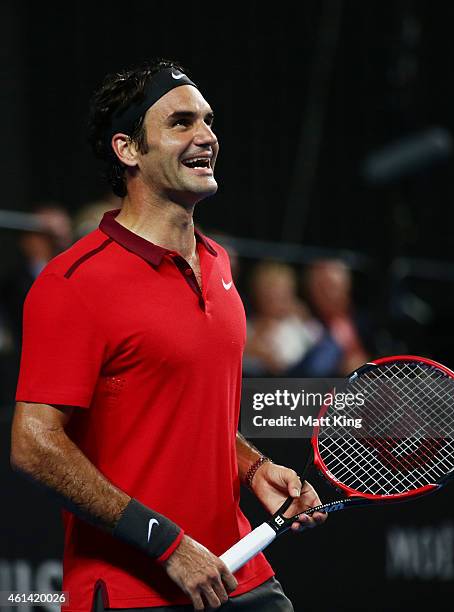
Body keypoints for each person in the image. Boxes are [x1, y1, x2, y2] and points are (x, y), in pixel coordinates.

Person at [11, 59, 326, 612]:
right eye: (181, 123)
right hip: (137, 591)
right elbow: (33, 444)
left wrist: (253, 469)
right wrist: (167, 544)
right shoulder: (73, 283)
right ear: (128, 150)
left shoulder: (221, 264)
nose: (206, 137)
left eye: (208, 121)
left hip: (241, 573)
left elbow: (192, 419)